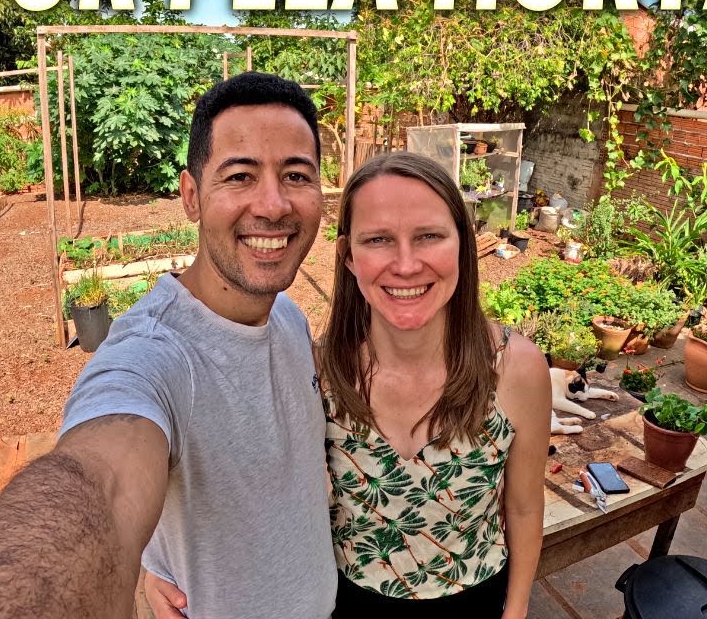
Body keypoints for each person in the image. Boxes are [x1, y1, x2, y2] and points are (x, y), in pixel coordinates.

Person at [0, 72, 336, 619]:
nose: (273, 204)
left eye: (296, 175)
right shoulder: (155, 357)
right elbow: (100, 484)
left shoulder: (288, 318)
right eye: (240, 175)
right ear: (191, 197)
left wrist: (158, 555)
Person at [149, 152, 552, 617]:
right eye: (378, 239)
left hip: (477, 601)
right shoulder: (319, 372)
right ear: (348, 256)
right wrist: (158, 559)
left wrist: (517, 610)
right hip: (349, 605)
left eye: (429, 236)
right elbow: (227, 464)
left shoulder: (514, 369)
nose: (405, 264)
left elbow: (523, 508)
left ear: (462, 244)